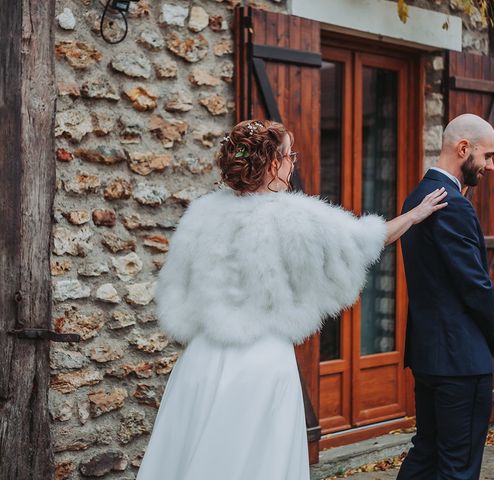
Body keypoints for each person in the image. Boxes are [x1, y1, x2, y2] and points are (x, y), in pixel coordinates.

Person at [136, 119, 448, 480]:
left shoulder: (203, 213)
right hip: (261, 364)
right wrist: (413, 215)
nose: (293, 162)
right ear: (271, 163)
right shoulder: (295, 216)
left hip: (201, 362)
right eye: (289, 155)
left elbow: (176, 287)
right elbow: (364, 241)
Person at [397, 114, 494, 480]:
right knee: (457, 468)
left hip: (430, 356)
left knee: (426, 455)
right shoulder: (452, 205)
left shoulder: (416, 199)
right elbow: (475, 284)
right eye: (488, 156)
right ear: (464, 148)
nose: (491, 166)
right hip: (461, 361)